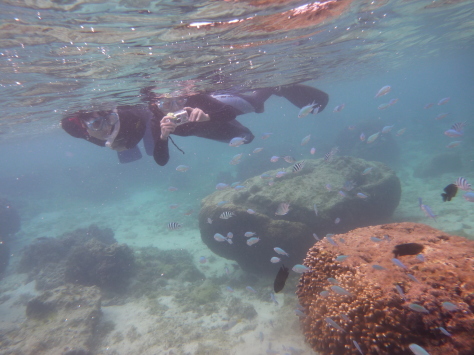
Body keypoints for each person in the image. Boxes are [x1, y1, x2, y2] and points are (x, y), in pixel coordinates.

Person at [61, 84, 329, 166]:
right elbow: (161, 161)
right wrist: (164, 136)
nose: (171, 107)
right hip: (200, 129)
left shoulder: (192, 98)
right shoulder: (157, 120)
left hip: (212, 109)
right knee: (246, 138)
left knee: (254, 104)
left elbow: (223, 111)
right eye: (162, 104)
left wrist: (207, 114)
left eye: (172, 101)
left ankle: (279, 88)